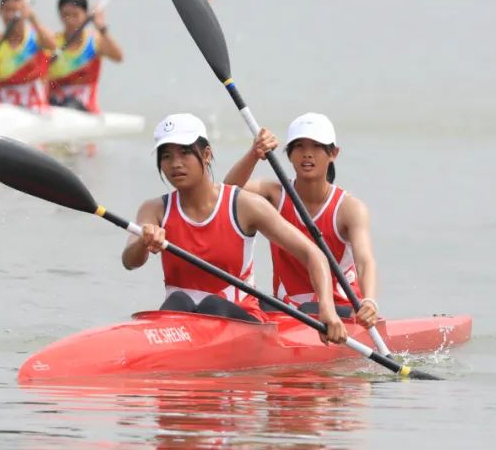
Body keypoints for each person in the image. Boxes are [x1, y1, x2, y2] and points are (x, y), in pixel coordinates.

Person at [122, 113, 347, 344]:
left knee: (212, 304)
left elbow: (313, 254)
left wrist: (327, 311)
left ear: (207, 154)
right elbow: (130, 261)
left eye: (185, 152)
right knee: (178, 301)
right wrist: (143, 241)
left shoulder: (244, 205)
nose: (175, 164)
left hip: (241, 321)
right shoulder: (154, 209)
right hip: (180, 320)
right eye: (166, 156)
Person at [224, 113, 379, 328]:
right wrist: (253, 154)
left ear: (333, 153)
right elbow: (227, 194)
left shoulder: (350, 209)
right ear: (288, 154)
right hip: (286, 309)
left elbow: (365, 260)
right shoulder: (274, 194)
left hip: (340, 310)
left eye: (316, 147)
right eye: (298, 147)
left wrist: (369, 302)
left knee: (306, 310)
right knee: (241, 305)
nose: (307, 154)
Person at [46, 0, 123, 113]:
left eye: (75, 15)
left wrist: (101, 28)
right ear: (60, 16)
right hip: (54, 105)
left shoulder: (95, 41)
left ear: (86, 15)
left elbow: (119, 57)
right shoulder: (52, 43)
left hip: (84, 107)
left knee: (70, 104)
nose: (70, 20)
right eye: (66, 15)